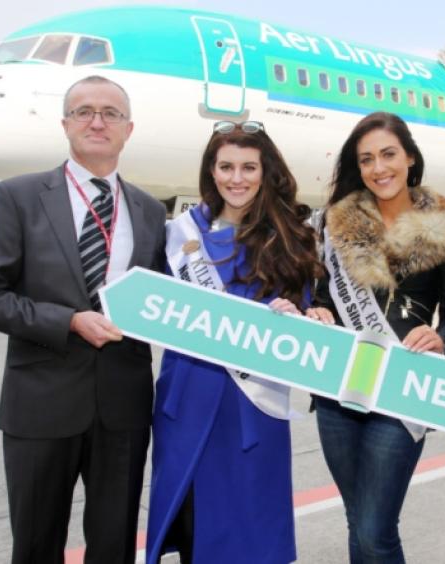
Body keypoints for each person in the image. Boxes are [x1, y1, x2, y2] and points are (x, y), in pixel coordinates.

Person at [0, 75, 166, 563]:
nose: (97, 121)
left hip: (122, 409)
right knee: (35, 545)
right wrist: (69, 321)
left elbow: (165, 301)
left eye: (111, 113)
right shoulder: (17, 196)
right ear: (65, 124)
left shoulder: (150, 211)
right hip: (41, 406)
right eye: (84, 111)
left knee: (114, 545)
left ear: (129, 129)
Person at [306, 112, 445, 563]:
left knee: (375, 529)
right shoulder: (336, 222)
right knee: (357, 519)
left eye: (387, 155)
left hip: (403, 387)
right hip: (339, 386)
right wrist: (318, 308)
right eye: (366, 160)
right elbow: (322, 292)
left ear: (409, 158)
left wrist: (442, 337)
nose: (378, 168)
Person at [146, 120, 322, 564]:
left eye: (249, 167)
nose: (236, 178)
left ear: (266, 173)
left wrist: (296, 318)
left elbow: (304, 320)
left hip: (251, 405)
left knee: (251, 533)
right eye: (226, 166)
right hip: (185, 399)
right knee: (192, 529)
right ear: (211, 170)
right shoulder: (179, 234)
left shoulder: (291, 238)